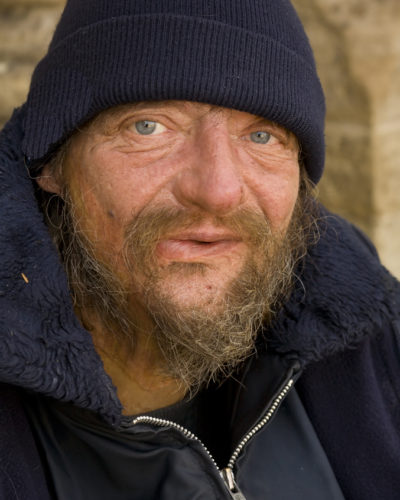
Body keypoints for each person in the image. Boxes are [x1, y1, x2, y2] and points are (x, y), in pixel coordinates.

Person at [0, 0, 399, 499]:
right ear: (52, 164)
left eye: (262, 136)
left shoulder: (367, 331)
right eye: (148, 126)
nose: (217, 190)